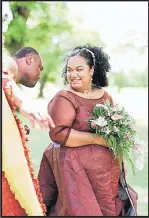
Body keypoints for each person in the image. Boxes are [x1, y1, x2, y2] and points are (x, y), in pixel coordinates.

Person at [38, 44, 138, 216]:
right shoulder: (64, 97)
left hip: (105, 173)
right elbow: (59, 133)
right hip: (73, 169)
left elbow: (115, 131)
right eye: (69, 70)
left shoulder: (104, 96)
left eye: (79, 69)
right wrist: (97, 139)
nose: (73, 74)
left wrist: (120, 159)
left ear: (91, 70)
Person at [2, 45, 54, 216]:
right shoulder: (9, 62)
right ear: (29, 59)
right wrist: (24, 104)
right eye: (40, 67)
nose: (40, 74)